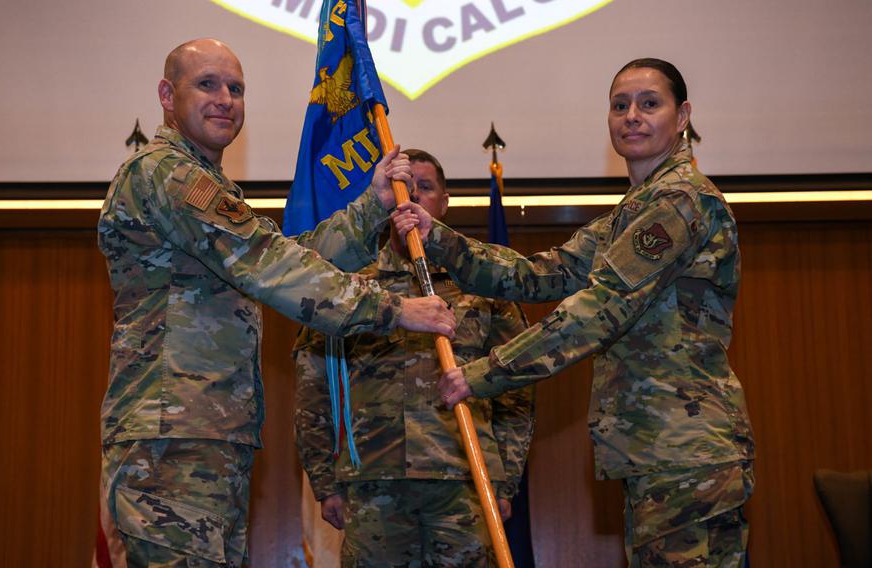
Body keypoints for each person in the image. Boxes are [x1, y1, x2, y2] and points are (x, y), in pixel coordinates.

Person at [96, 39, 456, 568]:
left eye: (236, 89)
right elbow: (271, 265)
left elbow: (289, 256)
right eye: (207, 84)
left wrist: (371, 205)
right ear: (166, 95)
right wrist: (395, 309)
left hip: (206, 431)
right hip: (170, 438)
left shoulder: (209, 185)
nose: (225, 99)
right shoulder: (168, 175)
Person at [393, 59, 755, 567]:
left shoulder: (682, 202)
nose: (632, 115)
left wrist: (485, 374)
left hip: (687, 454)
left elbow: (598, 309)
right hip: (655, 452)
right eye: (620, 105)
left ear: (682, 116)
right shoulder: (630, 213)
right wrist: (444, 242)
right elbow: (541, 276)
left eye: (650, 103)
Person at [294, 149, 535, 567]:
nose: (414, 196)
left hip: (465, 478)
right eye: (405, 187)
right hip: (372, 479)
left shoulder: (481, 279)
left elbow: (516, 387)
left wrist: (506, 479)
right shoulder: (350, 285)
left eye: (425, 188)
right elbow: (314, 383)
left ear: (444, 203)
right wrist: (323, 479)